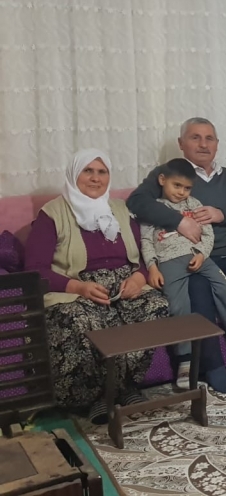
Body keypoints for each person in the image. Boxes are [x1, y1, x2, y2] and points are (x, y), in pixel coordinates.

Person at [24, 149, 171, 424]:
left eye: (102, 172)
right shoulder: (52, 213)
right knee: (80, 319)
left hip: (124, 284)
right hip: (75, 289)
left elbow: (144, 253)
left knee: (156, 305)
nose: (95, 178)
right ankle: (96, 397)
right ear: (73, 175)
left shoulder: (120, 209)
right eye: (88, 171)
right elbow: (34, 268)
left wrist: (139, 278)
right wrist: (78, 287)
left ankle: (126, 386)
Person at [128, 117, 226, 393]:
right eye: (195, 137)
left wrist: (221, 214)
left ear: (217, 144)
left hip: (220, 255)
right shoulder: (170, 174)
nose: (203, 144)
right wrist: (179, 221)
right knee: (199, 286)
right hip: (182, 258)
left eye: (209, 138)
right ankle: (212, 367)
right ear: (181, 143)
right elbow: (137, 203)